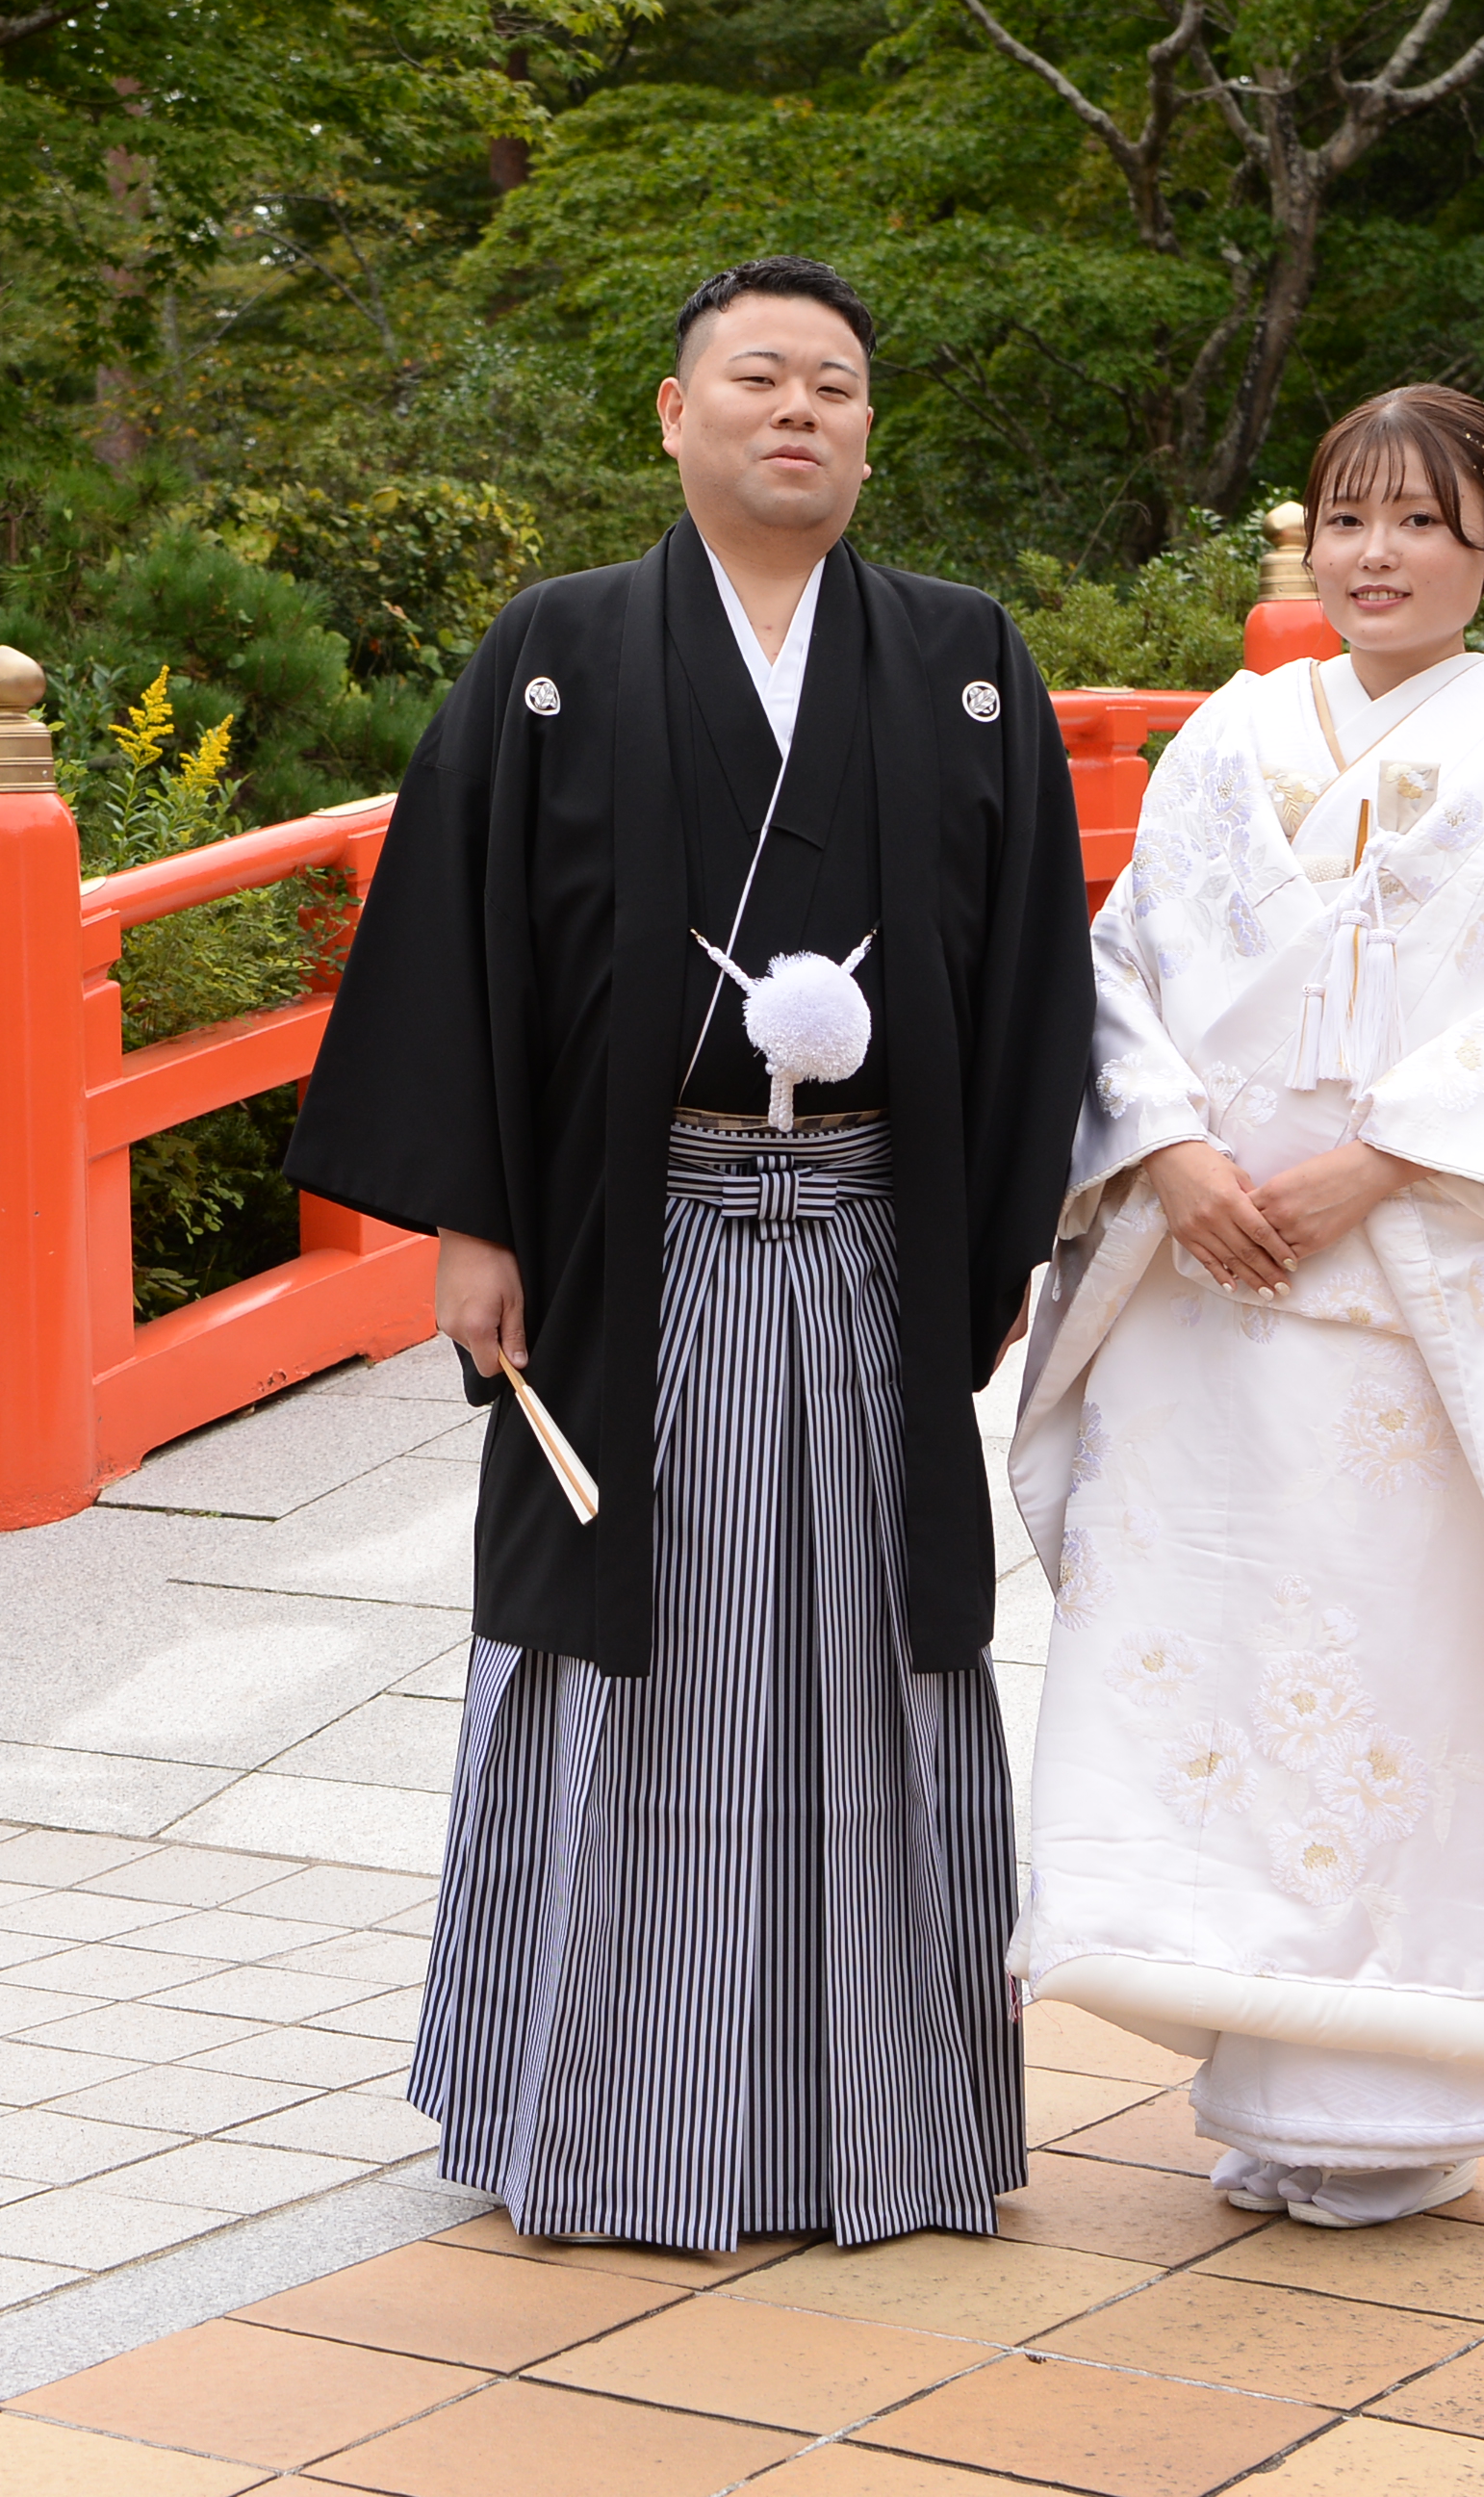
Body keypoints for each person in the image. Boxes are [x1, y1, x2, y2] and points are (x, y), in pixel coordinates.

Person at [286, 255, 1092, 2251]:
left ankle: (878, 2130)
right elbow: (467, 950)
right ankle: (599, 2122)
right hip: (623, 1250)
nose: (796, 410)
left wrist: (998, 1236)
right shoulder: (557, 653)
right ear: (675, 414)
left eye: (834, 382)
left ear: (869, 431)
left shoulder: (966, 658)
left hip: (876, 1256)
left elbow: (1032, 985)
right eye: (756, 378)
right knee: (614, 1667)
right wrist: (474, 1218)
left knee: (874, 1669)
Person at [1007, 382, 1484, 2228]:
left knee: (1394, 1677)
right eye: (1346, 519)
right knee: (1214, 1661)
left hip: (1405, 1294)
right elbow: (1121, 964)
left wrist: (1378, 1164)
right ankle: (1255, 2071)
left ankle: (1390, 2095)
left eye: (1423, 521)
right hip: (1213, 1287)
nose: (1378, 555)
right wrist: (1169, 1155)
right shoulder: (1229, 733)